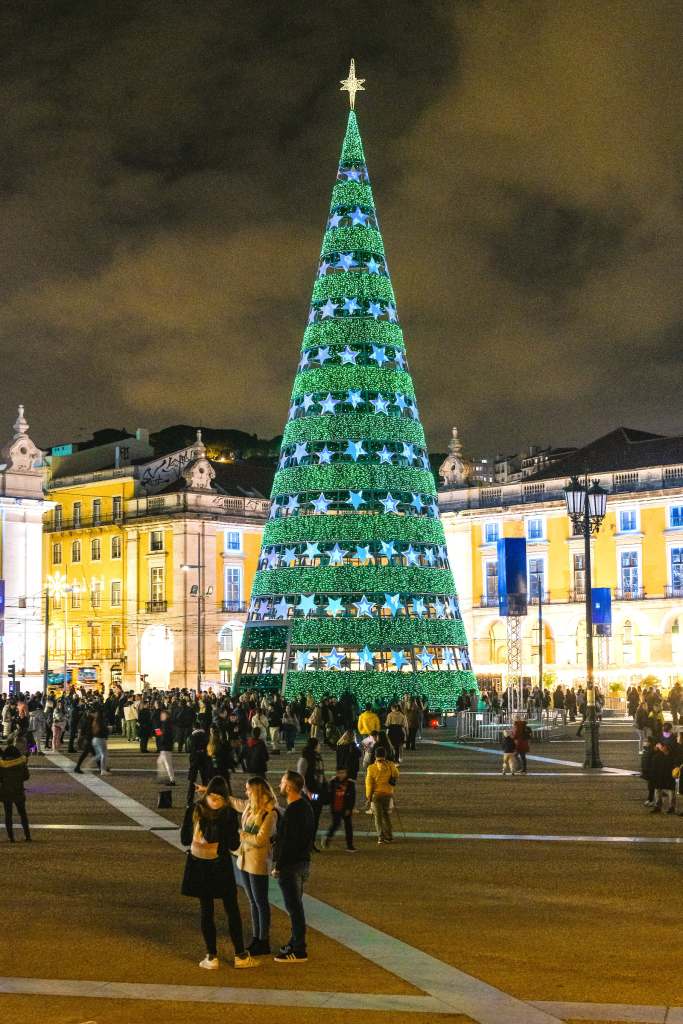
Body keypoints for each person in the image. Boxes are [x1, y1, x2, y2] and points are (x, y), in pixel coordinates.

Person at [180, 776, 257, 970]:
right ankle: (240, 954)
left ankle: (211, 956)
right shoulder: (228, 813)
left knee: (207, 911)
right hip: (220, 866)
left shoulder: (195, 809)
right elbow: (233, 844)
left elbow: (183, 839)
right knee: (232, 909)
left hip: (199, 865)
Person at [230, 777, 279, 955]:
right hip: (244, 859)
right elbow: (237, 803)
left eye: (248, 789)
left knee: (260, 902)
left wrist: (242, 835)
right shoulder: (251, 806)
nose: (246, 792)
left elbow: (260, 839)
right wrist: (214, 793)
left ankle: (263, 939)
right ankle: (256, 938)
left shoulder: (270, 813)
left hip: (258, 861)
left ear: (257, 791)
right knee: (252, 901)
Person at [272, 770, 315, 963]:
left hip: (291, 865)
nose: (279, 785)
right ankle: (294, 941)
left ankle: (299, 949)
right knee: (295, 905)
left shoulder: (294, 810)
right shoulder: (305, 806)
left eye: (282, 782)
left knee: (294, 908)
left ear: (289, 787)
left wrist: (278, 865)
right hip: (303, 862)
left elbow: (289, 842)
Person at [365, 746, 399, 845]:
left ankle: (380, 837)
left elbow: (369, 784)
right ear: (385, 755)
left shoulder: (371, 768)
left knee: (377, 817)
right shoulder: (390, 765)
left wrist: (368, 797)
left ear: (375, 756)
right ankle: (389, 836)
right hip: (388, 793)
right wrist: (392, 766)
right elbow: (396, 774)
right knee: (386, 815)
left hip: (376, 795)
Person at [297, 737, 326, 849]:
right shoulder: (304, 760)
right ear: (314, 746)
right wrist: (307, 792)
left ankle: (311, 842)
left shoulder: (318, 758)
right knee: (309, 817)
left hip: (317, 791)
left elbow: (321, 775)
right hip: (309, 793)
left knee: (316, 816)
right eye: (319, 744)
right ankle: (305, 843)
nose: (320, 746)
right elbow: (301, 777)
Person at [0, 743, 31, 841]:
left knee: (8, 815)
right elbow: (26, 777)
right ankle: (28, 836)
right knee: (23, 814)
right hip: (19, 791)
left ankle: (11, 838)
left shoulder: (2, 765)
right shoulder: (21, 764)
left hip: (5, 792)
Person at [323, 766, 356, 851]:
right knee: (336, 824)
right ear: (337, 773)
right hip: (336, 808)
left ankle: (350, 845)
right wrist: (315, 798)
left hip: (346, 808)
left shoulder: (350, 783)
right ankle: (328, 836)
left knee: (348, 826)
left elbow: (352, 797)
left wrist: (350, 808)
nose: (342, 775)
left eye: (343, 773)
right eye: (340, 773)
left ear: (346, 773)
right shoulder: (332, 782)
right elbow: (328, 795)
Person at [651, 725, 676, 813]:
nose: (665, 732)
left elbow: (668, 752)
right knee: (658, 786)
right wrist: (657, 747)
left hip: (669, 765)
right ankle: (658, 806)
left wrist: (661, 748)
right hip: (659, 765)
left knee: (670, 786)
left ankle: (671, 807)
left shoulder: (673, 738)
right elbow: (654, 748)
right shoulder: (659, 737)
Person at [156, 710, 175, 784]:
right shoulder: (166, 723)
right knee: (160, 762)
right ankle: (163, 778)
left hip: (165, 746)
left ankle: (171, 780)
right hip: (165, 746)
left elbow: (163, 735)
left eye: (162, 715)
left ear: (166, 716)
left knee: (167, 764)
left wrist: (157, 731)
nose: (161, 716)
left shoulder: (166, 724)